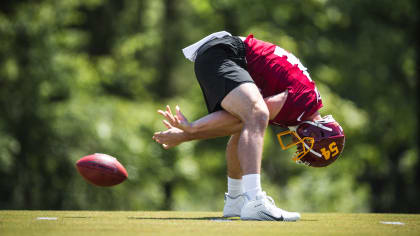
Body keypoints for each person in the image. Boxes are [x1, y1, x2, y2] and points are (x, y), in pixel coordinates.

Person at [152, 31, 345, 221]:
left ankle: (236, 199)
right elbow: (253, 115)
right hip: (224, 53)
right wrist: (190, 131)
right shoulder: (302, 104)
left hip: (219, 54)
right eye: (305, 144)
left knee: (249, 123)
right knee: (258, 115)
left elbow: (239, 123)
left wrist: (189, 132)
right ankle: (255, 200)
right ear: (315, 132)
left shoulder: (302, 106)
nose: (297, 144)